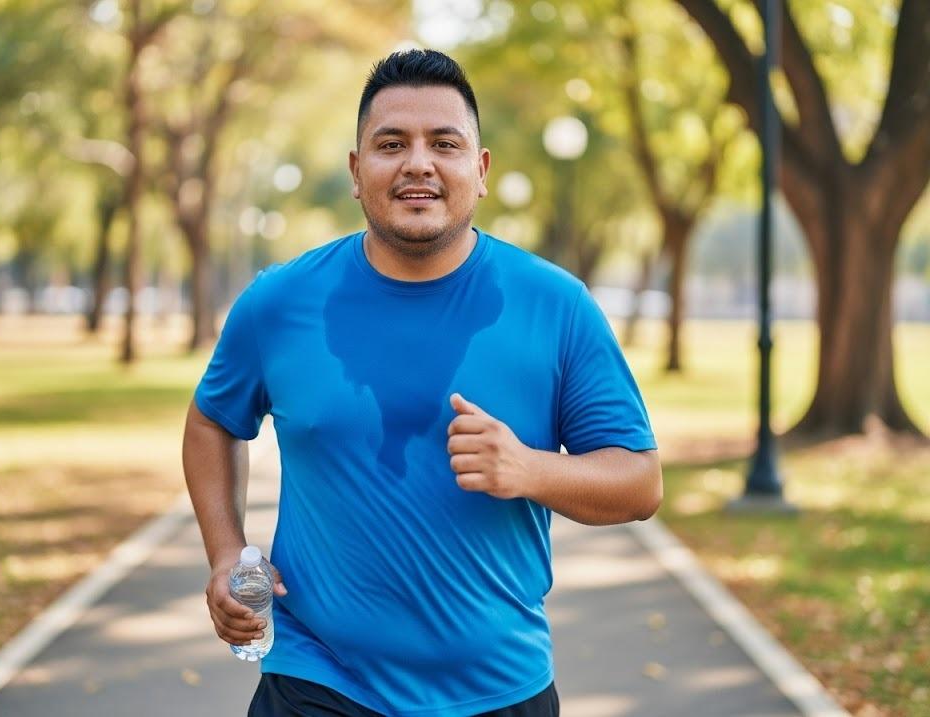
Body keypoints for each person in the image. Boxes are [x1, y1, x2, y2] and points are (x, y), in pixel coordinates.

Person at [182, 49, 662, 717]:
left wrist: (529, 470)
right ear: (356, 172)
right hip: (317, 683)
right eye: (390, 144)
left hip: (500, 690)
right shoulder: (280, 303)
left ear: (481, 169)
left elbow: (640, 482)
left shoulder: (556, 305)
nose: (418, 163)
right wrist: (225, 553)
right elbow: (212, 419)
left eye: (444, 143)